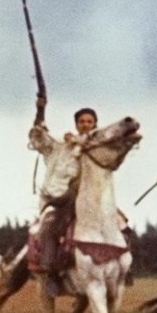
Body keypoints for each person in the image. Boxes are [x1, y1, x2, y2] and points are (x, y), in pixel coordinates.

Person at [26, 102, 98, 273]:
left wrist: (78, 142)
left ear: (95, 124)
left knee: (121, 225)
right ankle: (49, 271)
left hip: (90, 198)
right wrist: (40, 111)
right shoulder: (59, 146)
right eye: (82, 121)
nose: (85, 124)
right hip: (57, 200)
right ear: (76, 124)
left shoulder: (98, 146)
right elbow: (38, 138)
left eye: (89, 121)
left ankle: (123, 268)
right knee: (49, 230)